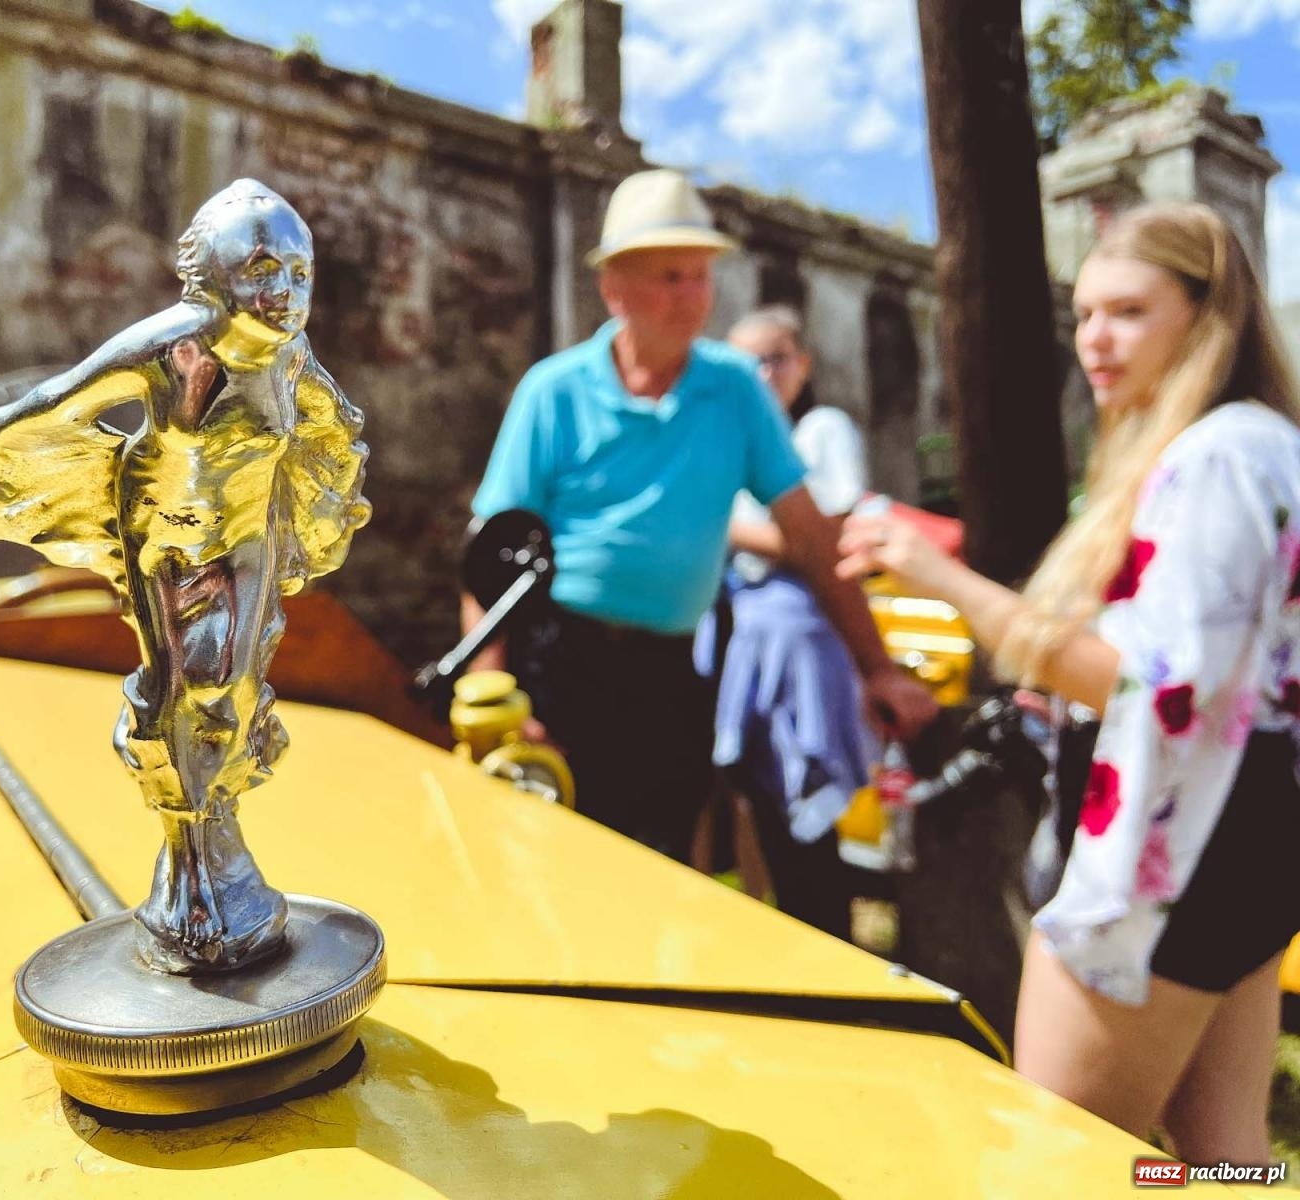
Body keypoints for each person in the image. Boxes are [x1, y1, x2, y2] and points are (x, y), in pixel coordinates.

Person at [837, 202, 1300, 1162]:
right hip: (1242, 843)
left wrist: (941, 580)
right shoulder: (1260, 445)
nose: (1094, 338)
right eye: (1084, 313)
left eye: (1127, 310)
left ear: (1208, 314)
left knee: (1058, 1159)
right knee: (1223, 1157)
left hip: (1162, 854)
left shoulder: (1214, 455)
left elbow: (1156, 688)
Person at [0, 179, 369, 972]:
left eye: (300, 274)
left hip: (249, 541)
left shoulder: (292, 358)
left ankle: (220, 858)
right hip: (165, 537)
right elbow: (45, 408)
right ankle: (190, 882)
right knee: (180, 689)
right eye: (264, 267)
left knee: (230, 688)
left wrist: (328, 489)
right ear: (211, 277)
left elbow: (333, 428)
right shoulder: (175, 343)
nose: (285, 292)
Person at [466, 168, 935, 860]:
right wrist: (487, 681)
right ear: (613, 287)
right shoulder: (555, 390)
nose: (690, 298)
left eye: (698, 276)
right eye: (667, 278)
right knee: (542, 864)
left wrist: (878, 668)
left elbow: (809, 536)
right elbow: (493, 546)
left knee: (658, 870)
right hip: (556, 662)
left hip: (670, 671)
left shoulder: (736, 389)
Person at [691, 307, 872, 937]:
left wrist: (720, 523)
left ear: (803, 364)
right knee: (753, 798)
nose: (762, 374)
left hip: (796, 643)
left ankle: (828, 942)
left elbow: (821, 537)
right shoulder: (734, 442)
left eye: (775, 358)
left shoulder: (820, 429)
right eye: (747, 363)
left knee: (803, 803)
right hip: (737, 640)